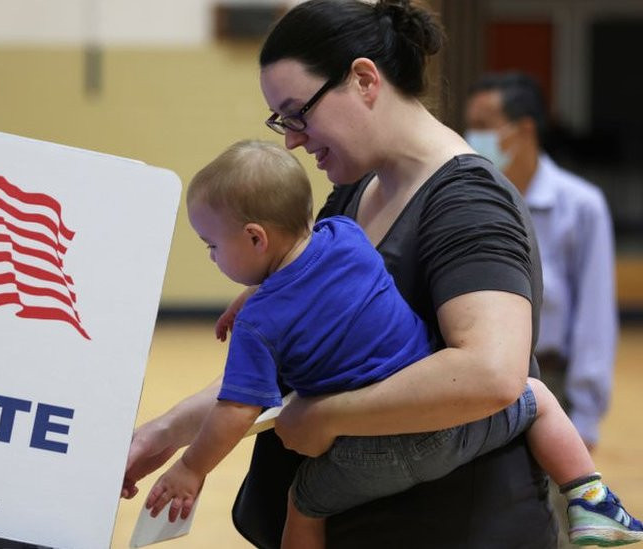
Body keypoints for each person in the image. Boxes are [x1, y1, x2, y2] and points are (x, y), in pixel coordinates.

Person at [121, 1, 556, 546]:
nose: (292, 140)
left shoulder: (467, 202)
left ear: (363, 80)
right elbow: (275, 365)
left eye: (297, 112)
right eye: (281, 121)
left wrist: (328, 417)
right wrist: (163, 435)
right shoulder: (353, 193)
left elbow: (492, 373)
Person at [141, 139, 642, 548]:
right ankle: (591, 498)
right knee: (538, 398)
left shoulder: (260, 327)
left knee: (305, 500)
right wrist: (253, 292)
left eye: (211, 244)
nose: (210, 256)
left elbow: (236, 409)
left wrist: (190, 468)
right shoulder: (345, 235)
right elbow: (305, 270)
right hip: (449, 417)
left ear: (255, 238)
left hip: (374, 448)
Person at [464, 70, 621, 549]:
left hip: (552, 384)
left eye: (484, 125)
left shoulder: (580, 205)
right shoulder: (469, 197)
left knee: (557, 521)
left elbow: (595, 316)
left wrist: (587, 414)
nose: (475, 138)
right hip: (479, 382)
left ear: (524, 130)